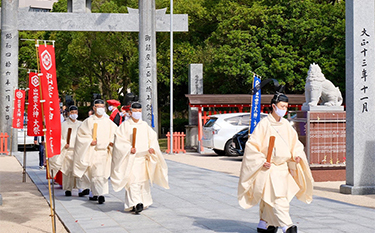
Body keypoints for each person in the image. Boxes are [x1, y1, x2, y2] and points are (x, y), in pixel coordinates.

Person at [238, 93, 313, 233]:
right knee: (278, 198)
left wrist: (296, 155)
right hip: (270, 167)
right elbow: (252, 146)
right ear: (274, 106)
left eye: (286, 106)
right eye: (282, 106)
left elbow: (295, 143)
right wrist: (261, 161)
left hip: (283, 167)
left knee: (272, 197)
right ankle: (288, 227)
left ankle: (264, 223)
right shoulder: (264, 125)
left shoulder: (286, 124)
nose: (284, 109)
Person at [111, 102, 169, 213]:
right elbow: (119, 141)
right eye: (135, 111)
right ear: (130, 112)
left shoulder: (144, 126)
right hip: (131, 159)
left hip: (143, 159)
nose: (137, 113)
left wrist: (152, 148)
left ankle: (142, 202)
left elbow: (152, 139)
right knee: (132, 182)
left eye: (139, 111)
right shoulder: (125, 126)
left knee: (143, 182)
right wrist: (128, 148)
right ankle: (136, 203)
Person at [73, 99, 118, 204]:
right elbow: (81, 135)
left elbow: (116, 134)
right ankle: (98, 194)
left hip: (105, 152)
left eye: (102, 107)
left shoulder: (108, 122)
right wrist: (89, 141)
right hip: (93, 151)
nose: (100, 109)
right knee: (95, 174)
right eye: (98, 107)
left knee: (102, 175)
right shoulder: (88, 121)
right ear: (94, 108)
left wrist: (112, 142)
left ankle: (97, 193)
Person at [49, 106, 90, 197]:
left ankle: (80, 189)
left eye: (75, 112)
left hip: (79, 151)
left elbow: (86, 136)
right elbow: (59, 138)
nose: (74, 114)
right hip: (68, 151)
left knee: (79, 170)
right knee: (67, 171)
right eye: (72, 112)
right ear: (68, 113)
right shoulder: (63, 125)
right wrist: (64, 144)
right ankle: (68, 189)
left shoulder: (81, 124)